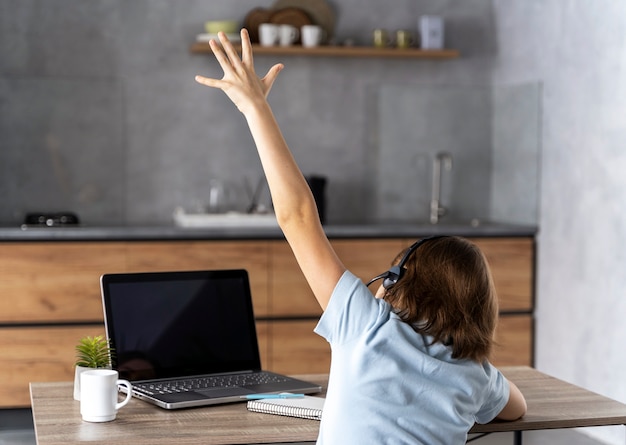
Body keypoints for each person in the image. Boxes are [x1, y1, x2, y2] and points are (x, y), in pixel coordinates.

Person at [195, 29, 527, 444]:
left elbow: (297, 215)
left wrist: (255, 109)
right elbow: (517, 407)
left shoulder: (367, 325)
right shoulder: (476, 377)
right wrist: (483, 373)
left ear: (397, 282)